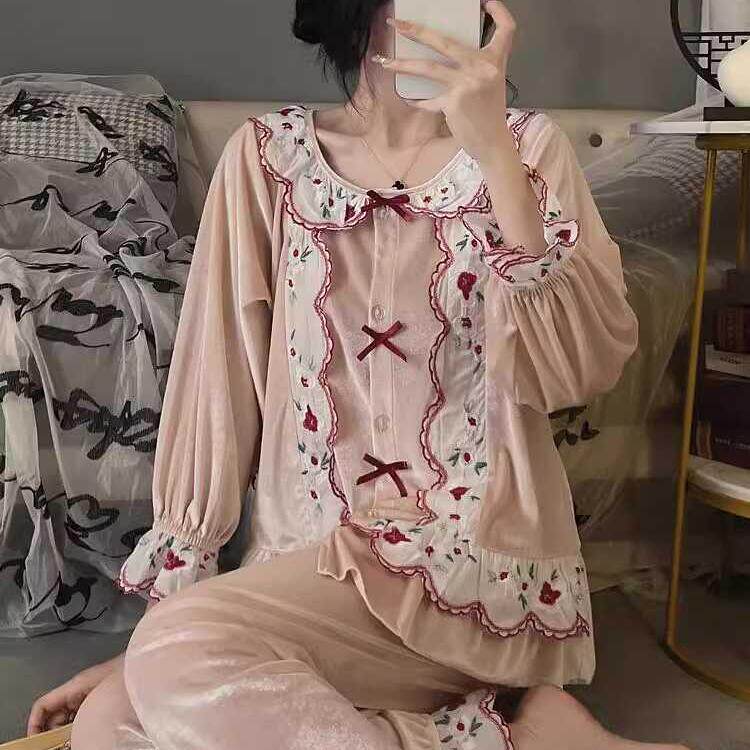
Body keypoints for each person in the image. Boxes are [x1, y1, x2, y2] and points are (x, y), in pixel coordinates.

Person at [27, 1, 686, 748]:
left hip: (470, 561)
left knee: (170, 663)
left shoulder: (527, 148)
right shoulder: (267, 160)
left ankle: (508, 712)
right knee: (110, 727)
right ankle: (513, 731)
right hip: (304, 571)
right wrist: (159, 633)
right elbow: (218, 384)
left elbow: (578, 369)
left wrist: (494, 152)